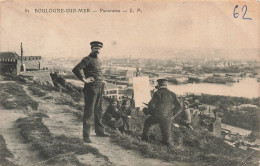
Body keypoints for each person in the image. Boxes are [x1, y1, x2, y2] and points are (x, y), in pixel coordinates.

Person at [72, 41, 109, 143]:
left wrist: (102, 81)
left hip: (100, 87)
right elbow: (76, 69)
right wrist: (84, 79)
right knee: (89, 111)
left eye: (99, 49)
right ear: (91, 48)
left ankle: (100, 131)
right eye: (96, 48)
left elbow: (97, 73)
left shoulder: (99, 60)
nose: (98, 50)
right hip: (91, 88)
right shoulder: (87, 59)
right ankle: (86, 136)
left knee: (99, 110)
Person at [141, 78, 181, 147]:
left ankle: (144, 139)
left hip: (157, 116)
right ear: (166, 85)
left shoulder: (157, 93)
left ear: (159, 85)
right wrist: (172, 114)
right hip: (167, 117)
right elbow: (179, 107)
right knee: (166, 138)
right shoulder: (172, 94)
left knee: (147, 122)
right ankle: (167, 145)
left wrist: (148, 111)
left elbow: (151, 105)